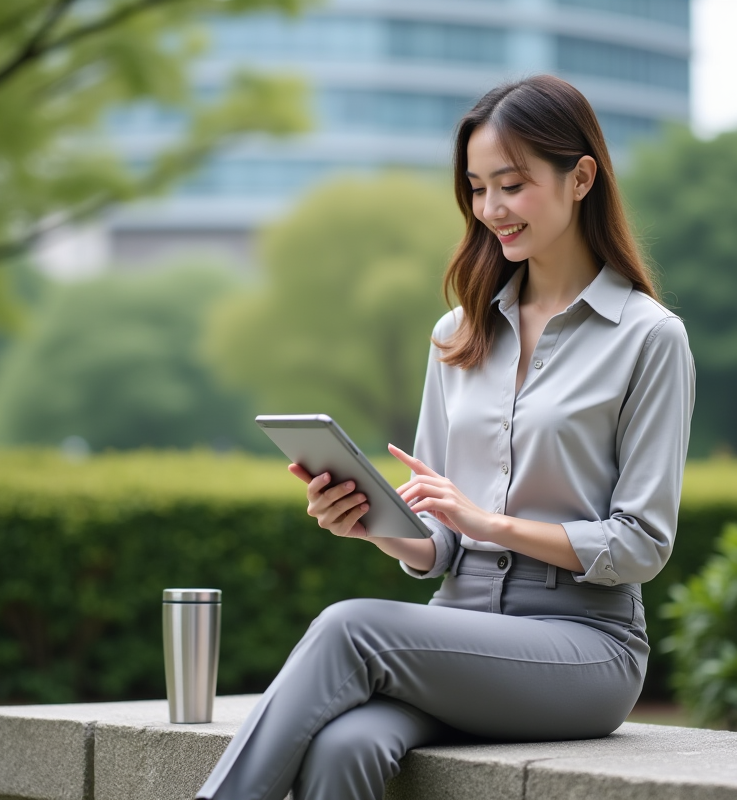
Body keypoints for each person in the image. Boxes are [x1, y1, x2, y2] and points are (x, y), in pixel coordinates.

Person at [196, 74, 695, 800]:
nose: (491, 209)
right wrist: (377, 525)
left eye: (512, 185)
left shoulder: (650, 338)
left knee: (348, 627)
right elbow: (442, 544)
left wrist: (490, 522)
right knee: (345, 746)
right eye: (476, 187)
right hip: (458, 628)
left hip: (585, 649)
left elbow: (641, 544)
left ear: (580, 177)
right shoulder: (457, 335)